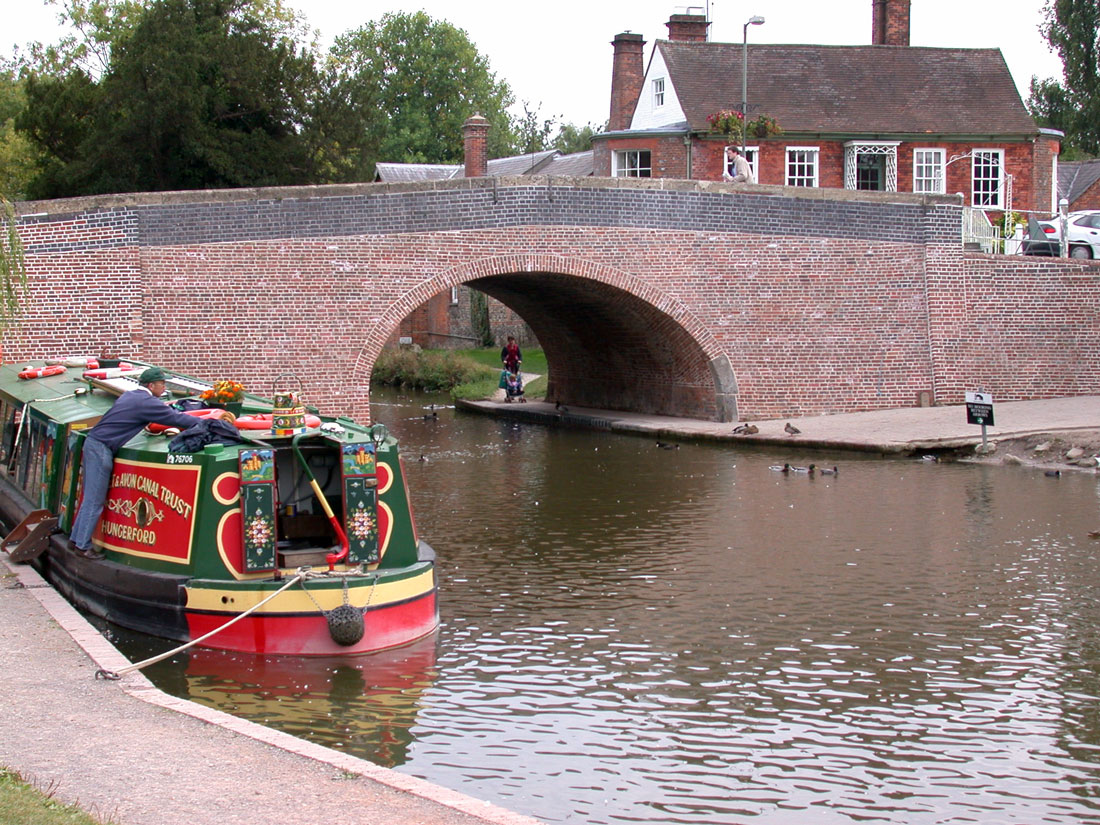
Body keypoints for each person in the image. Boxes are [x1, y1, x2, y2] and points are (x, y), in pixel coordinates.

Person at [67, 367, 230, 559]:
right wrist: (210, 422)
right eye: (162, 384)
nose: (164, 387)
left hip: (93, 444)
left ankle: (75, 540)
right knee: (95, 501)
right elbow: (175, 419)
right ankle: (83, 546)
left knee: (90, 498)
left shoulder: (131, 396)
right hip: (102, 449)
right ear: (151, 385)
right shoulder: (146, 403)